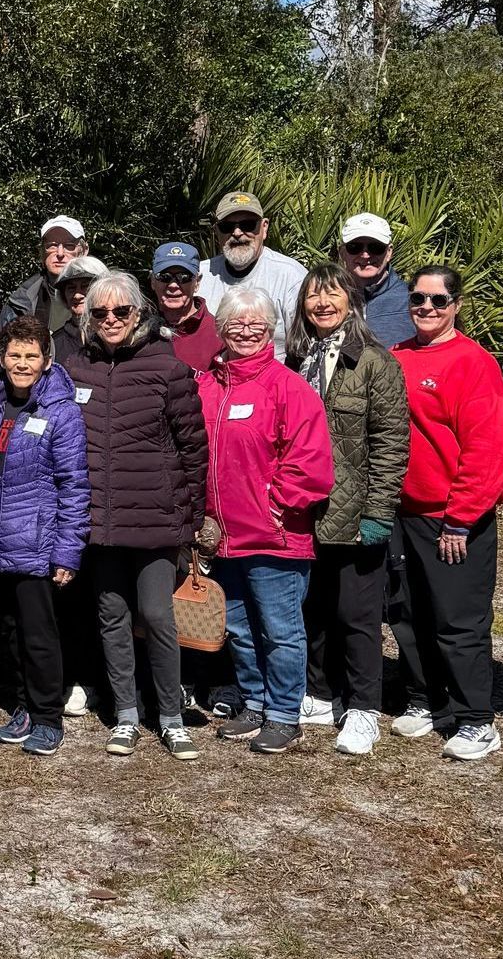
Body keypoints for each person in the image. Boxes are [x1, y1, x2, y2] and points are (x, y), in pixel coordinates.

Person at [58, 272, 210, 760]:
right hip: (99, 520)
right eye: (99, 313)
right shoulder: (72, 369)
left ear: (139, 314)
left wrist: (192, 517)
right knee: (111, 616)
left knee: (157, 615)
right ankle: (125, 713)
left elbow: (193, 448)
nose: (110, 321)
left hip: (156, 516)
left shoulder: (168, 369)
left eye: (121, 312)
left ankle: (169, 715)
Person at [201, 288, 336, 755]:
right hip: (220, 535)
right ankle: (255, 702)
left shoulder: (288, 387)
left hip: (273, 534)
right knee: (237, 626)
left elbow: (312, 459)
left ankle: (283, 713)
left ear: (271, 329)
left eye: (256, 323)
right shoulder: (206, 386)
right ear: (221, 327)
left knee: (280, 629)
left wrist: (280, 502)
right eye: (236, 322)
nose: (245, 330)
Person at [388, 265, 503, 761]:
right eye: (418, 299)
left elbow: (488, 449)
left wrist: (461, 516)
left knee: (458, 621)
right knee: (408, 614)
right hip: (402, 511)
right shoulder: (396, 356)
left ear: (456, 305)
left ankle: (476, 718)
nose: (426, 308)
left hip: (452, 516)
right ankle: (425, 700)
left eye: (438, 301)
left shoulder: (472, 362)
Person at [283, 267, 408, 755]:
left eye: (331, 294)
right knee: (311, 607)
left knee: (357, 614)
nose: (321, 304)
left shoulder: (375, 362)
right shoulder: (294, 360)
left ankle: (362, 709)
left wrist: (379, 510)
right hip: (302, 510)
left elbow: (391, 443)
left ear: (351, 302)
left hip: (354, 510)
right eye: (312, 296)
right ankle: (318, 693)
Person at [0, 316, 90, 757]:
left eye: (32, 356)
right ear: (2, 357)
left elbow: (74, 485)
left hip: (38, 542)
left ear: (46, 361)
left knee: (39, 635)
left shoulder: (62, 412)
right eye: (15, 355)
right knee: (9, 632)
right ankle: (24, 708)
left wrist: (68, 552)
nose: (22, 363)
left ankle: (48, 716)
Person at [196, 192, 307, 358]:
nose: (237, 233)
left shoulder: (291, 276)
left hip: (271, 380)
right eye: (227, 227)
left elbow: (304, 348)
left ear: (264, 227)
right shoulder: (200, 275)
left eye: (248, 225)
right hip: (210, 379)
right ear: (216, 231)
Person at [337, 212, 415, 347]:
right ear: (342, 252)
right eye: (355, 247)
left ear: (389, 252)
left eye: (375, 247)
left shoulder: (412, 301)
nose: (365, 255)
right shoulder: (329, 300)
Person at [0, 215, 87, 333]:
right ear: (41, 253)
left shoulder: (102, 293)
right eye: (52, 246)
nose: (60, 253)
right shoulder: (21, 301)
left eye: (69, 246)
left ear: (84, 251)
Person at [150, 241, 221, 371]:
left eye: (184, 277)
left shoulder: (218, 334)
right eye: (164, 277)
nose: (173, 285)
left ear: (197, 283)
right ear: (152, 282)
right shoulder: (140, 329)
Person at [51, 256, 106, 357]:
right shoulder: (55, 344)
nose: (77, 295)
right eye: (71, 288)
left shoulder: (118, 335)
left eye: (85, 286)